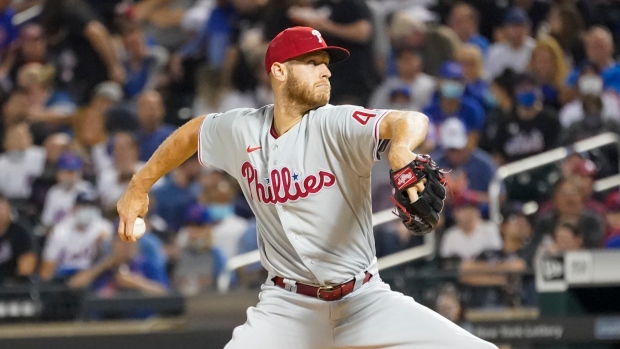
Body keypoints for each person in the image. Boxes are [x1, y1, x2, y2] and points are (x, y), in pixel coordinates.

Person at [117, 26, 496, 349]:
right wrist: (139, 185)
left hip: (363, 301)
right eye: (313, 63)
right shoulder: (243, 130)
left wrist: (399, 148)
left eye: (326, 66)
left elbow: (407, 119)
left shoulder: (336, 124)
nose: (325, 73)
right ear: (279, 71)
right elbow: (192, 133)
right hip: (286, 307)